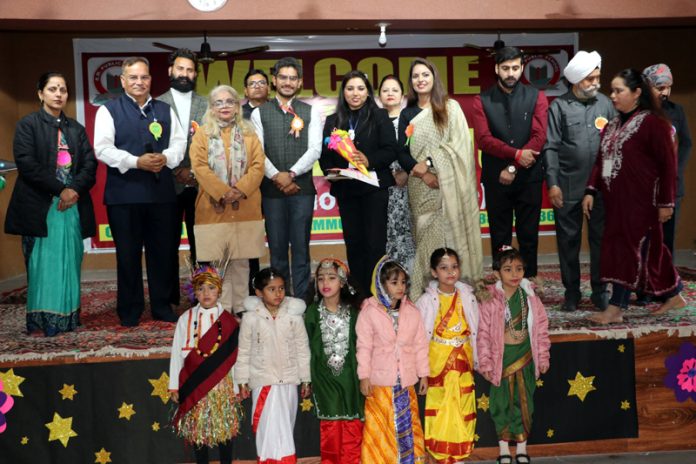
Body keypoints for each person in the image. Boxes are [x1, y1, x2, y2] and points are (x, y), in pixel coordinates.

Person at [582, 69, 687, 323]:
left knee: (628, 252)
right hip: (616, 204)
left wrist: (666, 203)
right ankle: (674, 295)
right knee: (649, 254)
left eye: (619, 90)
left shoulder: (654, 124)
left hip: (644, 204)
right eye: (613, 90)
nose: (613, 95)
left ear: (637, 93)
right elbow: (603, 161)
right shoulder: (613, 124)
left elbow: (668, 166)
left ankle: (616, 308)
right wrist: (591, 189)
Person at [94, 56, 186, 326]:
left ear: (150, 80)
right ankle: (130, 310)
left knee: (162, 253)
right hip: (124, 196)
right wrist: (136, 162)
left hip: (161, 195)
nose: (139, 82)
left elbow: (180, 144)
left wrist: (166, 158)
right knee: (128, 255)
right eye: (133, 77)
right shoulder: (108, 110)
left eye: (144, 77)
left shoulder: (164, 109)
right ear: (122, 81)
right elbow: (102, 149)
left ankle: (162, 306)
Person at [5, 71, 97, 336]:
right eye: (53, 89)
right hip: (41, 207)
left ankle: (69, 318)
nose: (59, 94)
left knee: (70, 262)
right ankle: (45, 321)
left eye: (63, 90)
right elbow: (27, 164)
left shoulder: (75, 129)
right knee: (44, 265)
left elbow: (90, 164)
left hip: (72, 207)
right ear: (40, 94)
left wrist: (74, 190)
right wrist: (61, 190)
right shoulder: (27, 125)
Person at [397, 58, 483, 301]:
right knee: (425, 238)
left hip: (449, 186)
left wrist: (433, 163)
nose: (420, 79)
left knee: (444, 241)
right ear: (411, 82)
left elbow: (460, 145)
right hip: (420, 186)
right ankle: (426, 297)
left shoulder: (449, 107)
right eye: (415, 76)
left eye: (425, 74)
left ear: (434, 78)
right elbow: (401, 151)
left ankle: (454, 294)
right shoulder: (408, 113)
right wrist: (422, 172)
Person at [542, 51, 616, 312]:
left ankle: (599, 292)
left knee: (601, 242)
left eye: (597, 77)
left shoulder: (606, 104)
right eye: (589, 79)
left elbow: (611, 148)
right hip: (567, 186)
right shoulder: (559, 107)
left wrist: (605, 179)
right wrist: (553, 183)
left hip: (600, 191)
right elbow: (550, 148)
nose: (595, 83)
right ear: (575, 81)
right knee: (568, 243)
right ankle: (571, 293)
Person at [471, 47, 548, 290]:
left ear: (522, 68)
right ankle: (501, 282)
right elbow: (483, 139)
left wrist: (514, 166)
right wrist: (516, 155)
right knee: (500, 233)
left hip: (529, 175)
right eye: (505, 68)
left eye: (515, 68)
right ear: (496, 69)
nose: (511, 73)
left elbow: (539, 136)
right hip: (497, 179)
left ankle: (530, 280)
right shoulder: (481, 100)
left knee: (528, 233)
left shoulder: (537, 97)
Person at [320, 70, 398, 295]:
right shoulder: (333, 121)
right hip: (347, 190)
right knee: (354, 244)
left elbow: (391, 150)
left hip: (374, 190)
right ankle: (360, 295)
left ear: (368, 93)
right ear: (343, 92)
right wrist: (333, 170)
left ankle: (378, 294)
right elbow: (325, 157)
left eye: (361, 89)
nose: (355, 93)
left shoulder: (379, 116)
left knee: (375, 245)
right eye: (350, 88)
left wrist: (368, 160)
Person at [189, 85, 265, 314]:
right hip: (213, 207)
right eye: (219, 102)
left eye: (229, 101)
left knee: (241, 262)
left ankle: (241, 308)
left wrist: (239, 190)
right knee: (218, 263)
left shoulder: (249, 133)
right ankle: (221, 308)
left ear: (236, 106)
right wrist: (222, 192)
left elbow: (258, 165)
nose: (224, 106)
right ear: (211, 108)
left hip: (245, 205)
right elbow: (199, 166)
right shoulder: (202, 134)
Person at [250, 57, 322, 300]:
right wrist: (276, 177)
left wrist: (290, 175)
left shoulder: (310, 111)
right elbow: (257, 152)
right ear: (274, 80)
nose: (288, 82)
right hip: (271, 192)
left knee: (301, 248)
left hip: (302, 190)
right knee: (278, 250)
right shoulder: (259, 113)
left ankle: (300, 300)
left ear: (300, 82)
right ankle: (277, 300)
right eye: (283, 77)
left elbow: (314, 150)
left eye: (293, 78)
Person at [477, 246, 550, 464]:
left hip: (525, 358)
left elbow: (541, 329)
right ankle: (503, 451)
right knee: (501, 404)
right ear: (497, 273)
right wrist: (486, 363)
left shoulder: (530, 297)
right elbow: (482, 334)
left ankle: (521, 448)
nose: (515, 274)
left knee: (524, 402)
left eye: (519, 269)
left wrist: (543, 357)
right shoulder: (490, 300)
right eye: (508, 270)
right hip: (501, 361)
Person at [356, 256, 429, 463]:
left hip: (405, 384)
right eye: (394, 282)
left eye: (403, 282)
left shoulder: (412, 311)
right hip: (381, 385)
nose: (400, 287)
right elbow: (364, 347)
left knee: (407, 425)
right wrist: (364, 376)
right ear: (381, 284)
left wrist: (423, 374)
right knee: (382, 428)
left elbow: (420, 345)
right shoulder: (369, 311)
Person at [236, 267, 311, 464]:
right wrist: (242, 381)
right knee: (267, 428)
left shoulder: (294, 317)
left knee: (285, 426)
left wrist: (306, 379)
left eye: (281, 288)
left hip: (288, 381)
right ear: (259, 293)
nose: (278, 293)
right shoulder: (251, 318)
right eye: (271, 289)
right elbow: (244, 351)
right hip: (264, 382)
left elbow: (303, 350)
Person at [168, 265, 242, 464]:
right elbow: (176, 354)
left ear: (219, 290)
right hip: (194, 384)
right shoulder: (185, 319)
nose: (206, 293)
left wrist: (236, 386)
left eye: (211, 288)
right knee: (198, 431)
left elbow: (235, 358)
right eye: (201, 289)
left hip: (221, 387)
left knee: (224, 428)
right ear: (194, 293)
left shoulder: (228, 322)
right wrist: (175, 385)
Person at [415, 248, 478, 463]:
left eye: (454, 267)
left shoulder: (468, 297)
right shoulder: (426, 301)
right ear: (434, 272)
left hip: (463, 362)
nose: (450, 272)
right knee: (441, 409)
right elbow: (420, 338)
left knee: (462, 405)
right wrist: (422, 373)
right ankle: (440, 455)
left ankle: (459, 455)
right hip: (438, 363)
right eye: (443, 268)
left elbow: (476, 329)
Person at [157, 48, 208, 306]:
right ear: (170, 71)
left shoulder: (207, 104)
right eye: (180, 69)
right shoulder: (157, 104)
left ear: (195, 74)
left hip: (201, 186)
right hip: (167, 184)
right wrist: (177, 169)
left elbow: (215, 145)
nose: (184, 74)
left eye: (189, 70)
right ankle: (168, 299)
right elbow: (153, 144)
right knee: (167, 244)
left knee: (203, 246)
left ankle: (204, 297)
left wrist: (195, 172)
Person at [304, 258, 364, 463]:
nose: (325, 283)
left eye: (331, 278)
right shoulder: (312, 312)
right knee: (330, 429)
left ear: (343, 282)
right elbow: (307, 348)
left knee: (352, 427)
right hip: (324, 379)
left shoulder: (355, 313)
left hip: (351, 380)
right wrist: (307, 379)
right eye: (320, 279)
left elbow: (362, 346)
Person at [642, 63, 692, 256]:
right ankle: (643, 280)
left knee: (666, 239)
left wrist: (676, 169)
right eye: (659, 88)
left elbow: (687, 143)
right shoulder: (639, 112)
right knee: (644, 238)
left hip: (672, 187)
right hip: (645, 186)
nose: (665, 92)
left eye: (668, 87)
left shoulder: (676, 111)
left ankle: (665, 281)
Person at [378, 75, 416, 273]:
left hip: (409, 187)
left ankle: (410, 284)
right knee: (384, 235)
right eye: (385, 90)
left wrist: (407, 172)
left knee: (408, 234)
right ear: (379, 95)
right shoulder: (375, 120)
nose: (390, 94)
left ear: (403, 95)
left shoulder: (410, 119)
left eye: (395, 90)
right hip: (382, 187)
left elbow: (419, 151)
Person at [241, 68, 270, 294]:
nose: (258, 86)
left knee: (277, 239)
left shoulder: (278, 111)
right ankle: (251, 288)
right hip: (246, 186)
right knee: (248, 240)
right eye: (253, 83)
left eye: (262, 82)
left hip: (272, 184)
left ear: (269, 87)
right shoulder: (237, 115)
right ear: (245, 90)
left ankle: (274, 286)